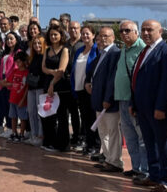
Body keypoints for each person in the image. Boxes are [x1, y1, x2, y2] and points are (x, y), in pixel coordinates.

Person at [130, 20, 167, 191]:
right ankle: (155, 176)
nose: (146, 33)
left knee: (164, 145)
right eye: (143, 30)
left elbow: (166, 82)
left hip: (157, 108)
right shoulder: (145, 51)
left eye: (150, 30)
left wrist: (161, 107)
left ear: (160, 31)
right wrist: (133, 102)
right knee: (150, 144)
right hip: (142, 107)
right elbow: (136, 78)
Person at [84, 27, 123, 172]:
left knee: (112, 132)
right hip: (98, 100)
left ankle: (115, 162)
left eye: (106, 36)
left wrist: (108, 98)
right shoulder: (102, 54)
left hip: (108, 102)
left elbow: (112, 79)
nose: (103, 39)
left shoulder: (115, 53)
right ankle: (107, 158)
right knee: (103, 132)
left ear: (113, 37)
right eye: (101, 36)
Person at [115, 20, 149, 180]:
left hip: (134, 100)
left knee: (141, 137)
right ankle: (136, 168)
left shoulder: (142, 49)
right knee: (130, 137)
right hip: (122, 98)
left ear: (136, 32)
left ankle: (145, 170)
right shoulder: (124, 49)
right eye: (121, 31)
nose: (123, 34)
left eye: (127, 30)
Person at [40, 27, 72, 152]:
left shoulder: (65, 50)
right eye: (51, 35)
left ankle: (62, 145)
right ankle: (49, 142)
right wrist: (52, 72)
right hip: (47, 84)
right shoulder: (47, 50)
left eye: (56, 34)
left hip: (60, 86)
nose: (53, 37)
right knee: (47, 115)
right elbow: (43, 67)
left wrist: (52, 83)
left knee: (62, 116)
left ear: (61, 35)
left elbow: (62, 70)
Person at [71, 25, 100, 155]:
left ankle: (95, 145)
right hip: (79, 89)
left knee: (93, 118)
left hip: (90, 89)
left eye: (87, 33)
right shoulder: (79, 50)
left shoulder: (97, 50)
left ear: (93, 35)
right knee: (85, 119)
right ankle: (88, 143)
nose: (85, 36)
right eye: (83, 34)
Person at [0, 52, 29, 143]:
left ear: (24, 61)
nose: (17, 63)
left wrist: (23, 99)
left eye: (19, 61)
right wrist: (2, 83)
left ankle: (22, 134)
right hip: (13, 98)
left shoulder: (27, 72)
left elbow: (27, 88)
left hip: (22, 100)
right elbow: (8, 82)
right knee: (13, 117)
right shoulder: (15, 71)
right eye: (16, 62)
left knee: (23, 118)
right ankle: (14, 132)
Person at [0, 33, 18, 138]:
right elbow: (0, 68)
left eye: (11, 39)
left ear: (16, 40)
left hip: (10, 83)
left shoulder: (18, 53)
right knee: (4, 106)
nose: (9, 41)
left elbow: (15, 68)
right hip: (2, 81)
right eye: (7, 39)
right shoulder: (5, 53)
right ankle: (7, 127)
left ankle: (11, 129)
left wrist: (5, 81)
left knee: (10, 108)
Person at [23, 35, 46, 147]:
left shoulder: (44, 56)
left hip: (40, 87)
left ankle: (40, 136)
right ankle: (34, 134)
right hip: (31, 87)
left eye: (39, 43)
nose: (37, 45)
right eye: (35, 43)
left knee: (39, 113)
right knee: (31, 112)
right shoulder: (32, 57)